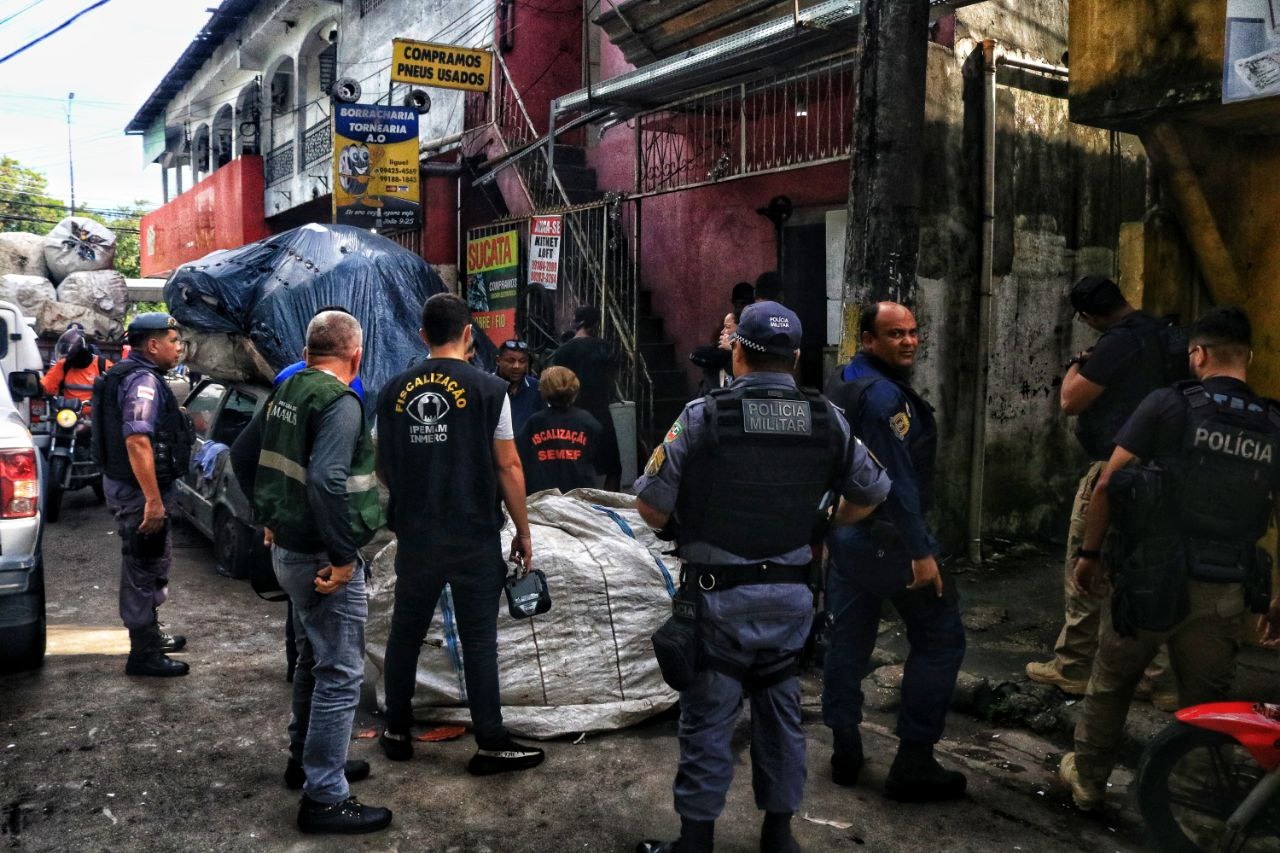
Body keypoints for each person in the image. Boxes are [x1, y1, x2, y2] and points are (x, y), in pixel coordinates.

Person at [634, 301, 891, 853]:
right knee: (782, 716)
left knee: (707, 721)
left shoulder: (705, 415)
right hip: (793, 596)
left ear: (737, 351)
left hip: (718, 599)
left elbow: (651, 508)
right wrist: (820, 520)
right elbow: (872, 492)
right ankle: (779, 836)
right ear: (795, 358)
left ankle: (695, 841)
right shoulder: (828, 419)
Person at [1059, 306, 1280, 811]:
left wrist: (1089, 555)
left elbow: (1110, 484)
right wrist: (1276, 599)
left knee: (1112, 683)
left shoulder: (1168, 404)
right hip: (1224, 588)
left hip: (1148, 581)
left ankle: (1089, 780)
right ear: (1248, 356)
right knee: (1210, 704)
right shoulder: (1272, 424)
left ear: (1197, 354)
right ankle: (1193, 794)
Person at [376, 293, 545, 775]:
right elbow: (509, 465)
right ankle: (490, 740)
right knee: (479, 640)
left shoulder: (392, 390)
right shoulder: (492, 390)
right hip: (474, 536)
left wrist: (414, 493)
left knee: (405, 633)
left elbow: (381, 464)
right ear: (468, 333)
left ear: (423, 334)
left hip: (417, 536)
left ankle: (395, 729)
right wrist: (524, 530)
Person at [822, 301, 968, 801]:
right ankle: (914, 761)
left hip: (847, 540)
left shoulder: (843, 381)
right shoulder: (882, 397)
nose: (908, 342)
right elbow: (897, 483)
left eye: (912, 332)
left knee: (848, 641)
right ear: (867, 339)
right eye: (894, 334)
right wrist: (922, 551)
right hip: (888, 541)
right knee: (941, 637)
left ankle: (845, 746)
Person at [252, 310, 391, 834]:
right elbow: (328, 481)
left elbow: (247, 455)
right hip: (320, 558)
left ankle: (307, 764)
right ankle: (325, 798)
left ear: (309, 350)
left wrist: (270, 518)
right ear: (356, 355)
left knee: (313, 662)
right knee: (340, 676)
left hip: (290, 549)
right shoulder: (341, 400)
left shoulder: (288, 387)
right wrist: (341, 557)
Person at [1026, 275, 1176, 708]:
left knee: (1083, 564)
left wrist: (1076, 361)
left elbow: (1072, 400)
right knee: (1152, 570)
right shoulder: (1162, 335)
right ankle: (1160, 678)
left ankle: (1072, 666)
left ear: (1090, 317)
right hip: (1162, 473)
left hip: (1113, 467)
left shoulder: (1115, 344)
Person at [92, 312, 193, 678]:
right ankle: (143, 654)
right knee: (143, 565)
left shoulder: (129, 374)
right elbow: (137, 440)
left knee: (151, 562)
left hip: (131, 488)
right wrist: (153, 500)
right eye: (173, 341)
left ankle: (150, 633)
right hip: (138, 494)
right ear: (152, 345)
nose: (178, 348)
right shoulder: (141, 382)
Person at [550, 305, 621, 490]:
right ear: (595, 323)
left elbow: (554, 382)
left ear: (576, 322)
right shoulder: (603, 347)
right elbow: (611, 378)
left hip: (570, 415)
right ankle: (606, 508)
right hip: (600, 413)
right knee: (612, 465)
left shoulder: (562, 351)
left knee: (573, 464)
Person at [517, 366, 601, 494]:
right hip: (580, 495)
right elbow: (599, 459)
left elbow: (520, 456)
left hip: (542, 496)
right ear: (575, 389)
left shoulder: (535, 421)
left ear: (543, 390)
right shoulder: (588, 421)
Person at [43, 325, 112, 405]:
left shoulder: (103, 365)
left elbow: (114, 394)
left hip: (95, 415)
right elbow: (47, 386)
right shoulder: (64, 365)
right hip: (67, 414)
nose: (69, 360)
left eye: (71, 357)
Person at [495, 338, 546, 435]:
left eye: (522, 361)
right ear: (498, 360)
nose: (516, 366)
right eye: (510, 361)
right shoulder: (485, 386)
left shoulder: (537, 388)